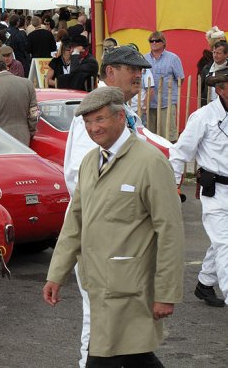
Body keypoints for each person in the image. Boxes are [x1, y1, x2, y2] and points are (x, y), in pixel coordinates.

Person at [43, 86, 184, 368]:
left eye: (100, 119)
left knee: (114, 356)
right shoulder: (89, 162)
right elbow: (75, 223)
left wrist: (166, 294)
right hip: (98, 284)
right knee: (130, 356)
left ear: (121, 118)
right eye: (88, 122)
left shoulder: (150, 162)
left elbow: (170, 232)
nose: (93, 128)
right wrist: (56, 274)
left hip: (131, 287)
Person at [63, 45, 152, 368]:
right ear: (111, 72)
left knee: (122, 320)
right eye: (133, 70)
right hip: (101, 232)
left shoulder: (123, 110)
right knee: (99, 319)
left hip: (120, 233)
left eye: (141, 70)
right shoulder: (98, 113)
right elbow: (82, 177)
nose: (140, 75)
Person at [169, 67, 228, 308]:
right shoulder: (203, 117)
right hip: (214, 191)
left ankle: (204, 283)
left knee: (222, 242)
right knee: (226, 245)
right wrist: (173, 186)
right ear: (221, 89)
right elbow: (179, 153)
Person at [0, 54, 39, 146]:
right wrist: (30, 131)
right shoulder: (27, 83)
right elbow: (34, 114)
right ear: (6, 67)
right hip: (24, 137)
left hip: (0, 140)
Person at [144, 31, 185, 141]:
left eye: (157, 40)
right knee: (150, 135)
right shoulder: (144, 59)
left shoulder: (173, 58)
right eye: (151, 41)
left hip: (166, 102)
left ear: (163, 43)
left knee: (168, 135)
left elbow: (181, 78)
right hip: (149, 104)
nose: (154, 43)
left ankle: (170, 157)